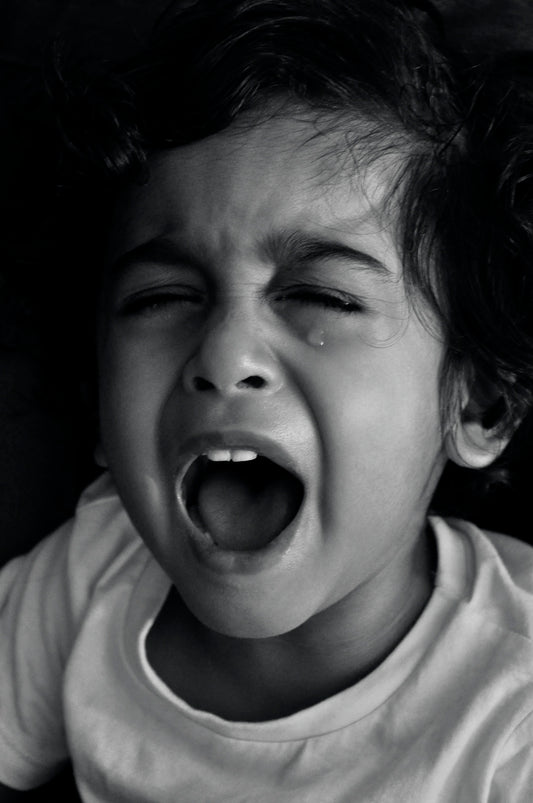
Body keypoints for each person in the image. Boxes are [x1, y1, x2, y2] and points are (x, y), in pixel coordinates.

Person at [1, 0, 533, 799]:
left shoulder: (513, 711)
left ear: (478, 406)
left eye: (319, 295)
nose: (223, 354)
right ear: (99, 405)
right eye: (163, 297)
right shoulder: (85, 577)